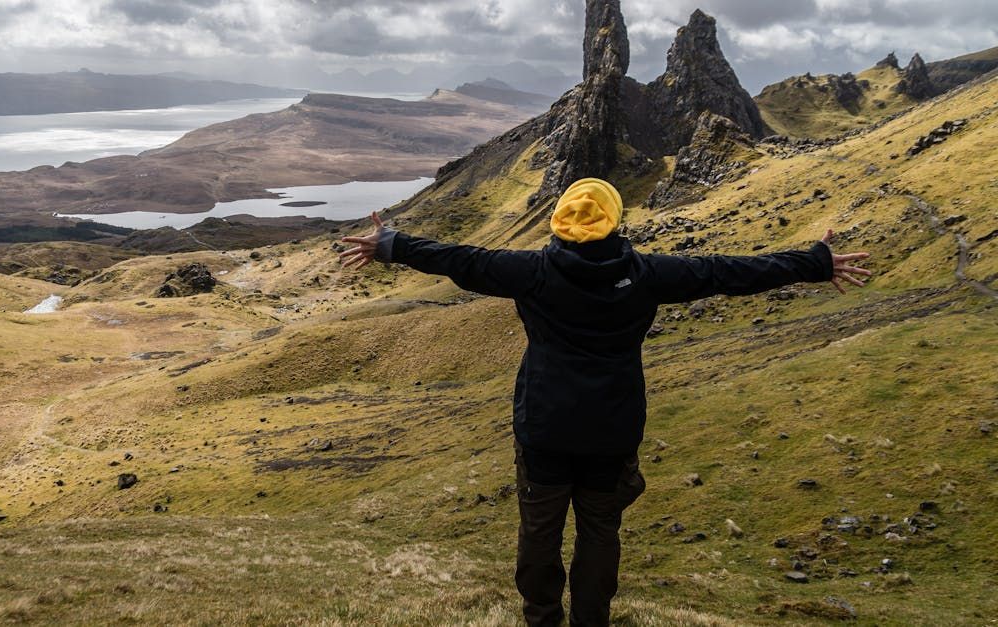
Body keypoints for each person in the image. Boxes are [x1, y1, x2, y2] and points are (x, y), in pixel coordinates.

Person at [337, 178, 871, 627]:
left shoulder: (532, 273)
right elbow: (726, 272)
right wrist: (814, 263)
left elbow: (462, 261)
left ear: (559, 225)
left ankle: (542, 617)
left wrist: (391, 245)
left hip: (544, 428)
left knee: (539, 532)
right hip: (612, 432)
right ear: (615, 223)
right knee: (599, 531)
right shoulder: (648, 275)